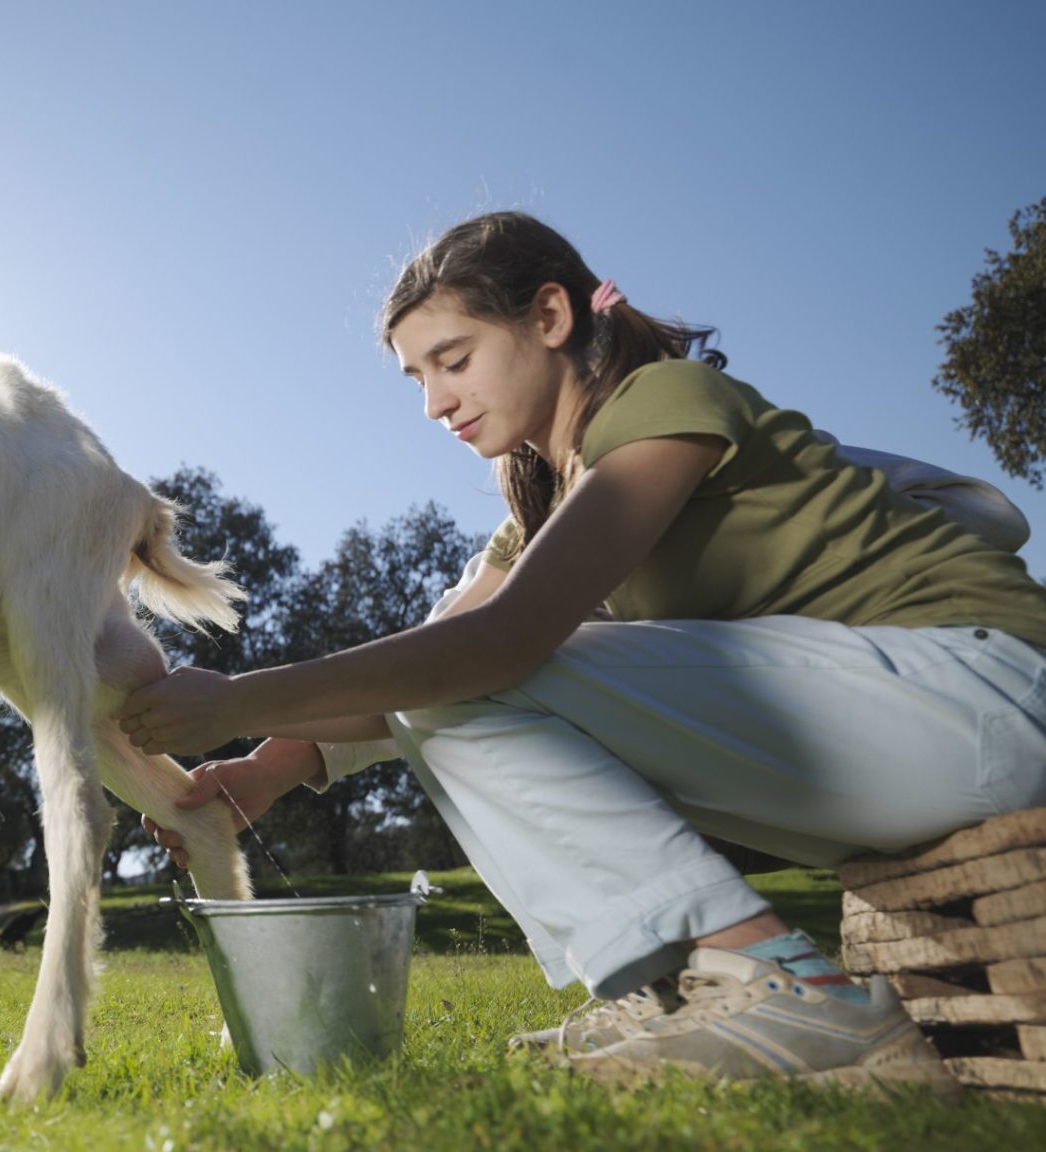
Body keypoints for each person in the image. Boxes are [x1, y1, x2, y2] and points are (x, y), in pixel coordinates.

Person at [118, 211, 1046, 1091]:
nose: (437, 403)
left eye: (455, 360)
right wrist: (268, 769)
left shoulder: (669, 403)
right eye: (417, 379)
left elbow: (497, 649)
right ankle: (686, 989)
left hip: (989, 695)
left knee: (481, 664)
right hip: (890, 749)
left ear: (551, 316)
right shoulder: (548, 511)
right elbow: (437, 669)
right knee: (451, 670)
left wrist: (237, 697)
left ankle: (775, 981)